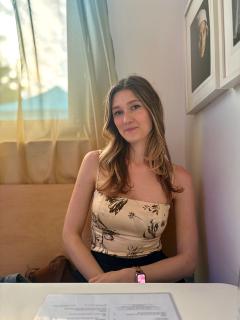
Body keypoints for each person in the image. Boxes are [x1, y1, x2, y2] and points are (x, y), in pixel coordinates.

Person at [62, 75, 198, 283]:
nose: (126, 119)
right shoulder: (94, 163)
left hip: (148, 277)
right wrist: (102, 282)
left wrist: (132, 277)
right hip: (96, 272)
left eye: (135, 107)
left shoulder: (179, 178)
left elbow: (188, 261)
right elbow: (70, 235)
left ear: (152, 110)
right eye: (118, 112)